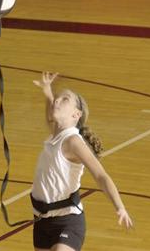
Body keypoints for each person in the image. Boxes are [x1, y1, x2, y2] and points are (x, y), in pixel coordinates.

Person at [31, 72, 133, 251]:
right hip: (42, 220)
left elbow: (101, 175)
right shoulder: (54, 136)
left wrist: (120, 207)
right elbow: (50, 115)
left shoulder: (73, 142)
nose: (57, 100)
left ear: (76, 114)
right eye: (58, 98)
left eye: (65, 99)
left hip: (67, 221)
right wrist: (47, 91)